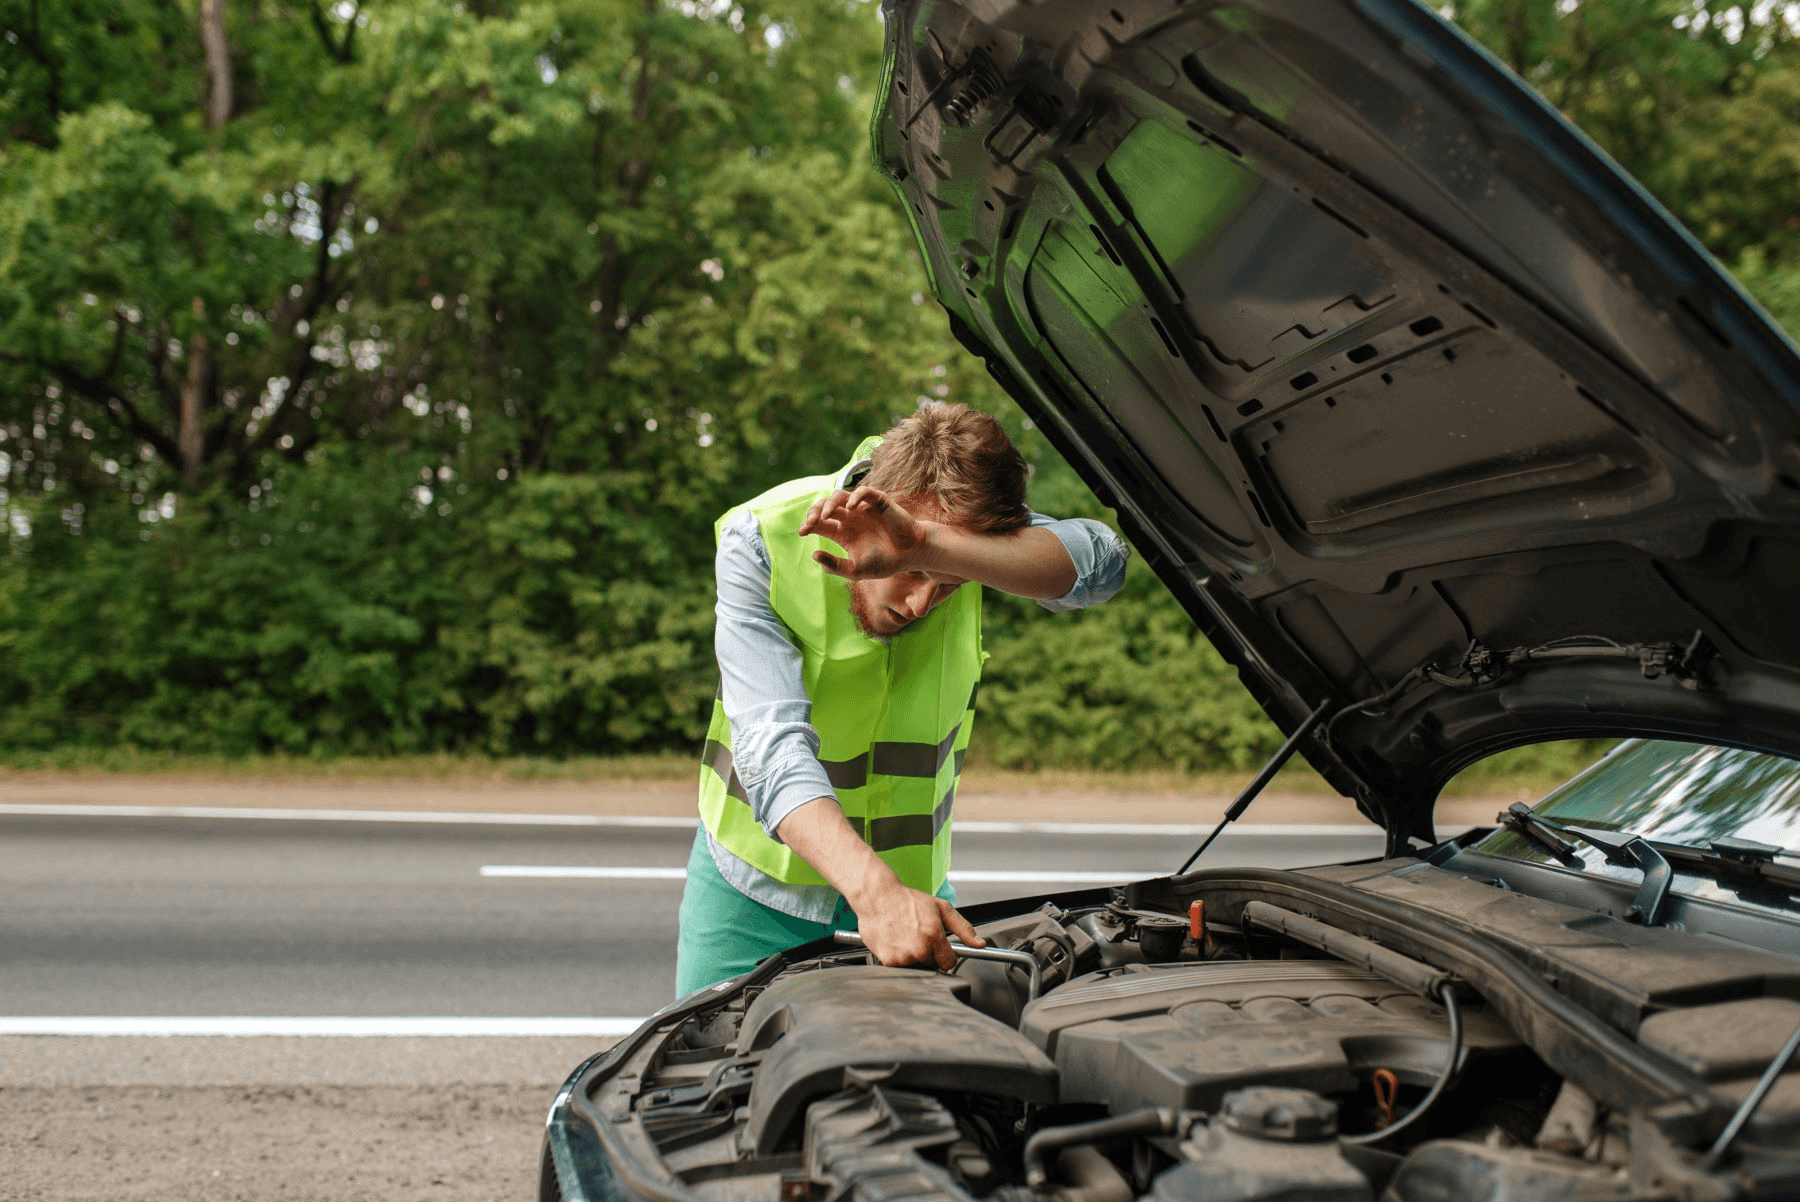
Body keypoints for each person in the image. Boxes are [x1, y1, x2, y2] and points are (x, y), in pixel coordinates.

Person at [675, 403, 1129, 995]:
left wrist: (924, 549)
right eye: (909, 574)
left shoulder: (960, 535)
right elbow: (770, 749)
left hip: (914, 893)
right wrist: (873, 892)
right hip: (753, 898)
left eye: (947, 581)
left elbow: (1105, 562)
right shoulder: (759, 538)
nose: (920, 604)